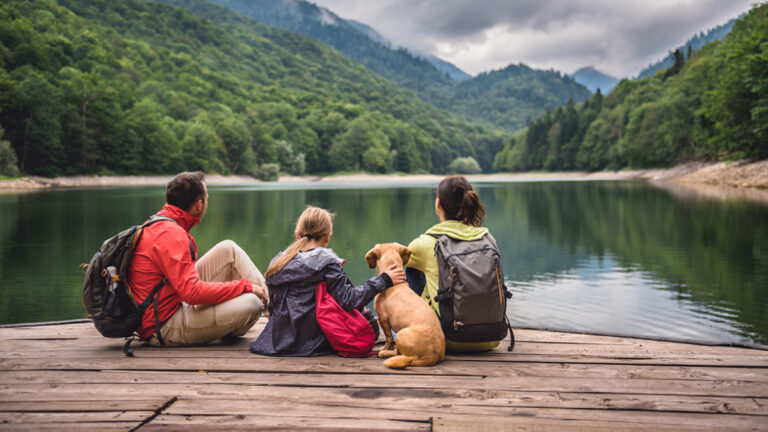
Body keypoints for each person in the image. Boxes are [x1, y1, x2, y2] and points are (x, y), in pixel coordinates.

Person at [128, 171, 269, 347]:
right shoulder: (172, 235)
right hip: (162, 326)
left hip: (171, 301)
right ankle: (276, 313)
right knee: (252, 303)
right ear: (199, 205)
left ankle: (276, 310)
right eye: (207, 199)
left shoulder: (159, 223)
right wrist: (244, 286)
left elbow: (186, 289)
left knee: (228, 249)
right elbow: (192, 293)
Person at [250, 206, 406, 356]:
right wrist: (383, 280)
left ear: (298, 234)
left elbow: (273, 306)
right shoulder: (326, 261)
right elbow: (349, 300)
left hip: (277, 340)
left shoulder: (278, 261)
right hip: (314, 341)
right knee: (369, 323)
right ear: (328, 236)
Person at [406, 175, 502, 353]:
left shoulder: (425, 243)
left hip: (445, 338)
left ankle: (409, 326)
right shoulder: (489, 239)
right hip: (492, 338)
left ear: (438, 204)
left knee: (411, 267)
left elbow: (394, 267)